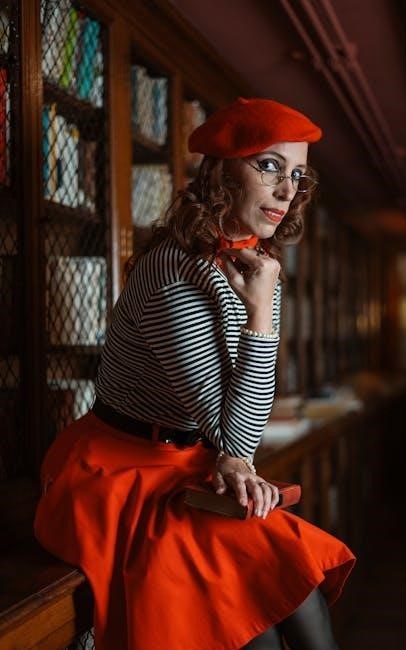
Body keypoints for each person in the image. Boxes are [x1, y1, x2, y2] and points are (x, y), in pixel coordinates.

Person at [34, 97, 355, 650]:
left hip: (191, 465)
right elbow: (233, 434)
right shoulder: (173, 270)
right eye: (269, 166)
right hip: (121, 474)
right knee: (260, 621)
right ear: (221, 173)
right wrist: (260, 315)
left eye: (298, 175)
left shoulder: (256, 263)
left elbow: (239, 436)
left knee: (294, 596)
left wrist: (235, 457)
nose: (287, 191)